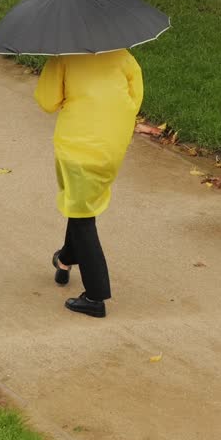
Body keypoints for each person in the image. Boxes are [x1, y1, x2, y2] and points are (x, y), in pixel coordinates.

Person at [33, 49, 144, 318]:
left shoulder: (63, 57)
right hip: (112, 147)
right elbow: (135, 99)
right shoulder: (123, 57)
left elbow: (47, 102)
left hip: (77, 148)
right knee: (79, 202)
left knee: (82, 217)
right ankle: (66, 258)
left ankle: (95, 296)